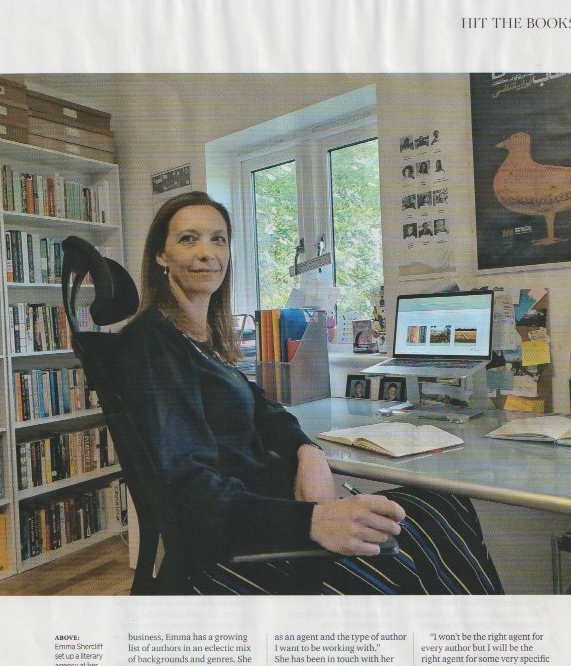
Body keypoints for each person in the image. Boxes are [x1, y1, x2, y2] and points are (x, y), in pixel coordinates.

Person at [115, 190, 502, 596]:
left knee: (445, 502)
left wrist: (308, 451)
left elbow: (265, 409)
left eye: (218, 239)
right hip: (250, 541)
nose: (207, 253)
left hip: (278, 512)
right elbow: (189, 492)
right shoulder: (151, 344)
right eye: (188, 239)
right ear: (161, 255)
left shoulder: (201, 343)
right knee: (418, 533)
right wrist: (314, 522)